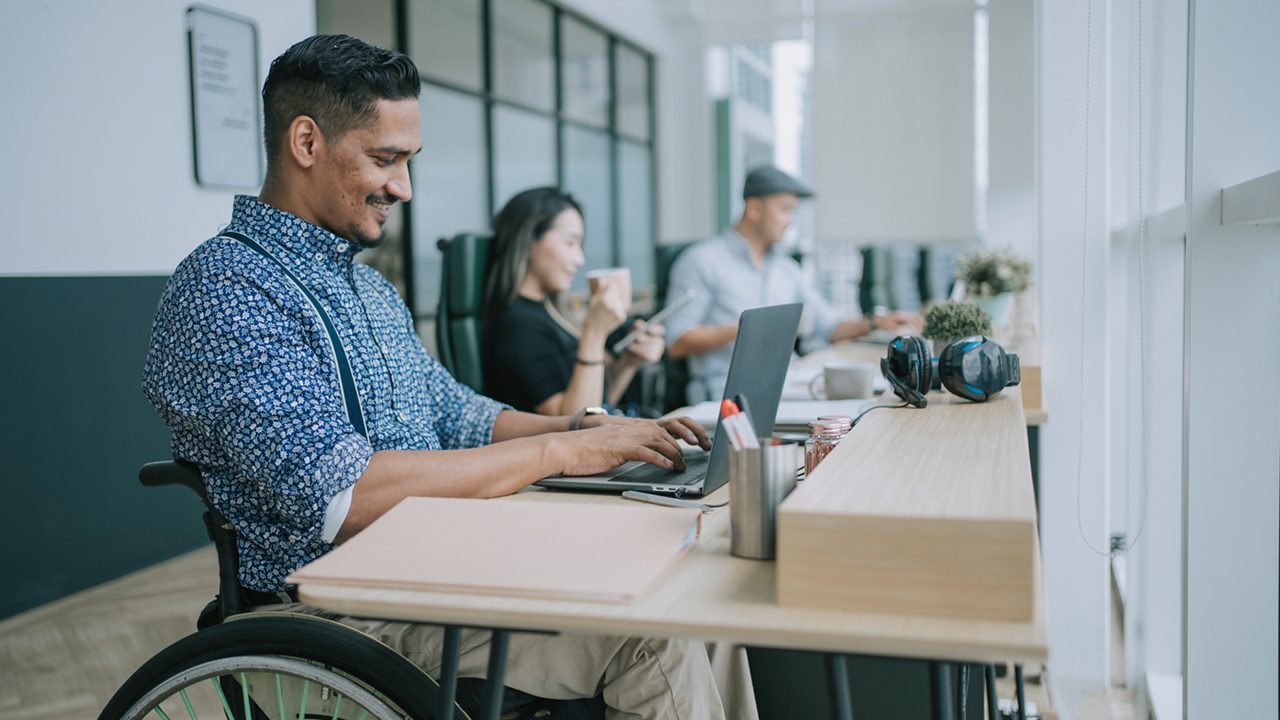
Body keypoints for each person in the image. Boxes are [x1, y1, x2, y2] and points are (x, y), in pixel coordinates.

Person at [142, 34, 754, 720]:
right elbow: (342, 498)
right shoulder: (227, 290)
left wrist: (589, 427)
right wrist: (558, 451)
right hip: (342, 616)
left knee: (693, 603)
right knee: (652, 638)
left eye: (408, 161)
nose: (403, 187)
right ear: (306, 142)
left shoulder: (367, 290)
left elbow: (459, 413)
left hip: (436, 566)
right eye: (385, 159)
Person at [664, 165, 919, 402]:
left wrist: (876, 323)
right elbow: (676, 341)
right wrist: (752, 327)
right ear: (754, 209)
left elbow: (829, 326)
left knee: (867, 401)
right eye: (785, 209)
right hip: (728, 394)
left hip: (786, 384)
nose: (790, 220)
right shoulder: (702, 260)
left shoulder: (787, 269)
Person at [482, 187, 665, 415]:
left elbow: (598, 407)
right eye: (570, 243)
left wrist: (630, 360)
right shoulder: (518, 325)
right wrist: (594, 333)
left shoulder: (550, 310)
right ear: (529, 241)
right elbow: (575, 424)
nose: (579, 260)